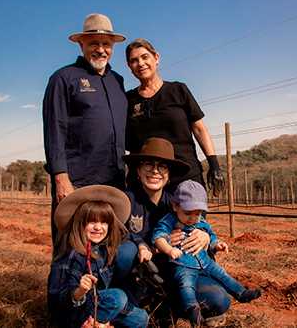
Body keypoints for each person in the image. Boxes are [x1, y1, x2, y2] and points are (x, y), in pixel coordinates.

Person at [114, 137, 231, 328]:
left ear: (169, 175)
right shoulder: (125, 202)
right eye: (148, 165)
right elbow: (115, 239)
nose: (155, 171)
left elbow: (199, 227)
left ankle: (171, 308)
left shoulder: (178, 205)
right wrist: (154, 247)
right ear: (138, 170)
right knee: (125, 252)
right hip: (137, 279)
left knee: (217, 299)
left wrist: (205, 236)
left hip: (174, 276)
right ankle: (129, 310)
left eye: (162, 167)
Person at [43, 13, 128, 262]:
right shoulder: (63, 78)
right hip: (77, 181)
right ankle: (60, 300)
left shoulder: (117, 81)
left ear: (112, 47)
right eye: (94, 43)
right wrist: (61, 179)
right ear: (81, 45)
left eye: (106, 44)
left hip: (113, 182)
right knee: (69, 249)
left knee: (109, 249)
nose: (100, 50)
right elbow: (54, 131)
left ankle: (101, 301)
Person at [152, 180, 262, 327]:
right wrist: (169, 249)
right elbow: (158, 237)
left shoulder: (201, 221)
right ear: (175, 206)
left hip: (204, 261)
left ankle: (241, 293)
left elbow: (211, 238)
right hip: (183, 264)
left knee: (222, 273)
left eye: (197, 213)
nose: (192, 218)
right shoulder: (169, 221)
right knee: (186, 285)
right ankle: (192, 310)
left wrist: (217, 245)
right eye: (187, 213)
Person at [124, 38, 225, 195]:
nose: (141, 63)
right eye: (134, 60)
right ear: (130, 67)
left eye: (145, 57)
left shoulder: (178, 90)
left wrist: (214, 164)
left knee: (189, 219)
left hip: (184, 177)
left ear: (156, 58)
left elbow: (199, 129)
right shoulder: (127, 100)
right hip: (145, 182)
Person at [47, 185, 149, 328]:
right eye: (91, 221)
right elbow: (59, 300)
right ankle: (91, 324)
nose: (98, 227)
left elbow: (128, 234)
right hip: (74, 313)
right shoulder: (72, 257)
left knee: (142, 319)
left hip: (97, 303)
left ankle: (101, 322)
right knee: (117, 297)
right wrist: (79, 291)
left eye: (104, 222)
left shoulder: (102, 248)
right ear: (80, 224)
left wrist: (142, 245)